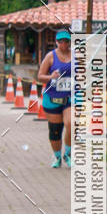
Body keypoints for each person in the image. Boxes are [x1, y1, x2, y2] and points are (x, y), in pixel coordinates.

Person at [38, 29, 72, 168]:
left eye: (66, 41)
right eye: (61, 41)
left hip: (70, 97)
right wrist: (51, 77)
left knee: (71, 124)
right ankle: (57, 156)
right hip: (53, 97)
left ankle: (67, 154)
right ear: (57, 42)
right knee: (55, 130)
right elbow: (40, 76)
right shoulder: (50, 56)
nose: (64, 44)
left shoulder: (76, 55)